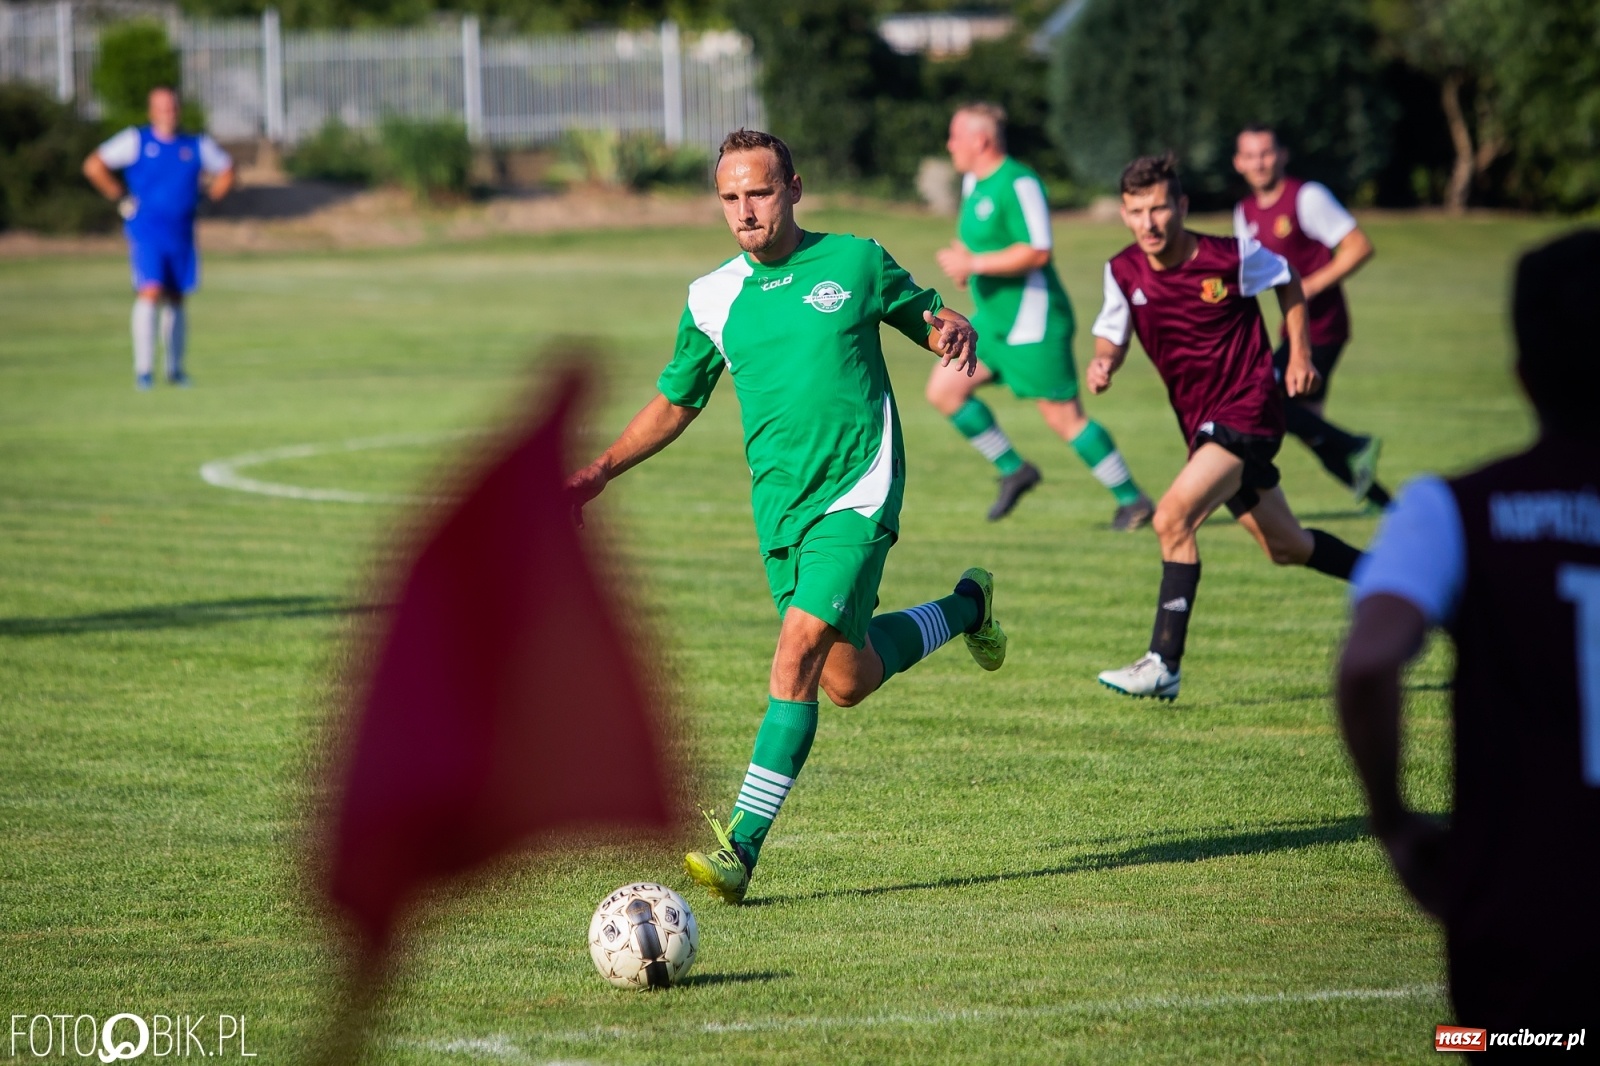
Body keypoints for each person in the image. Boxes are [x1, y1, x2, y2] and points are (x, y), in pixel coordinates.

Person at [566, 129, 1008, 905]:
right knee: (846, 677)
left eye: (760, 193)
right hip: (782, 512)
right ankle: (969, 605)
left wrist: (954, 328)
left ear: (794, 189)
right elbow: (677, 398)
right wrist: (601, 469)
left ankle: (740, 848)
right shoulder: (711, 297)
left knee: (795, 649)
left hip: (858, 494)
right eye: (731, 198)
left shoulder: (856, 262)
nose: (746, 211)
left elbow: (931, 317)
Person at [1336, 230, 1600, 1030]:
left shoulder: (1452, 509)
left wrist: (1391, 819)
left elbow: (1368, 662)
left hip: (1521, 918)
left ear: (1520, 375)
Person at [1088, 154, 1364, 700]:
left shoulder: (1229, 257)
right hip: (1202, 425)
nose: (1150, 222)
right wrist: (1104, 363)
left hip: (1248, 409)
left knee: (1172, 517)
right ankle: (1408, 583)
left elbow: (1289, 282)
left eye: (1160, 208)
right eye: (1137, 211)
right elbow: (1111, 333)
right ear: (1124, 213)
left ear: (1182, 206)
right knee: (1287, 545)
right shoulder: (1123, 271)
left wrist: (1301, 354)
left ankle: (1163, 663)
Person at [928, 103, 1153, 528]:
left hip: (1033, 323)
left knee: (1064, 418)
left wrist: (974, 265)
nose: (950, 145)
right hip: (993, 321)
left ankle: (1133, 500)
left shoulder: (1021, 182)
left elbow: (1038, 249)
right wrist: (964, 263)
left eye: (956, 136)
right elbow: (975, 241)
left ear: (980, 140)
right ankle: (1015, 470)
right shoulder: (974, 181)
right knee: (945, 391)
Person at [1233, 126, 1392, 510]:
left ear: (1282, 155)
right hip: (1294, 328)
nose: (1259, 162)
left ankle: (1357, 444)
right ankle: (1384, 502)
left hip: (1324, 327)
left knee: (1263, 397)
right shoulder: (1245, 213)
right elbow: (1253, 277)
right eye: (1250, 156)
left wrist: (1312, 285)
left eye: (1266, 153)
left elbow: (1358, 246)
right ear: (1238, 163)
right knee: (1308, 426)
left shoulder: (1307, 197)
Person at [83, 86, 234, 390]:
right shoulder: (136, 140)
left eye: (173, 107)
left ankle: (175, 370)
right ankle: (144, 370)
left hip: (182, 231)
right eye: (162, 107)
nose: (169, 112)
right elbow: (94, 165)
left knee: (177, 297)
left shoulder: (194, 144)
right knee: (150, 291)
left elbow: (227, 170)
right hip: (147, 230)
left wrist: (209, 199)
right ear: (152, 111)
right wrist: (120, 196)